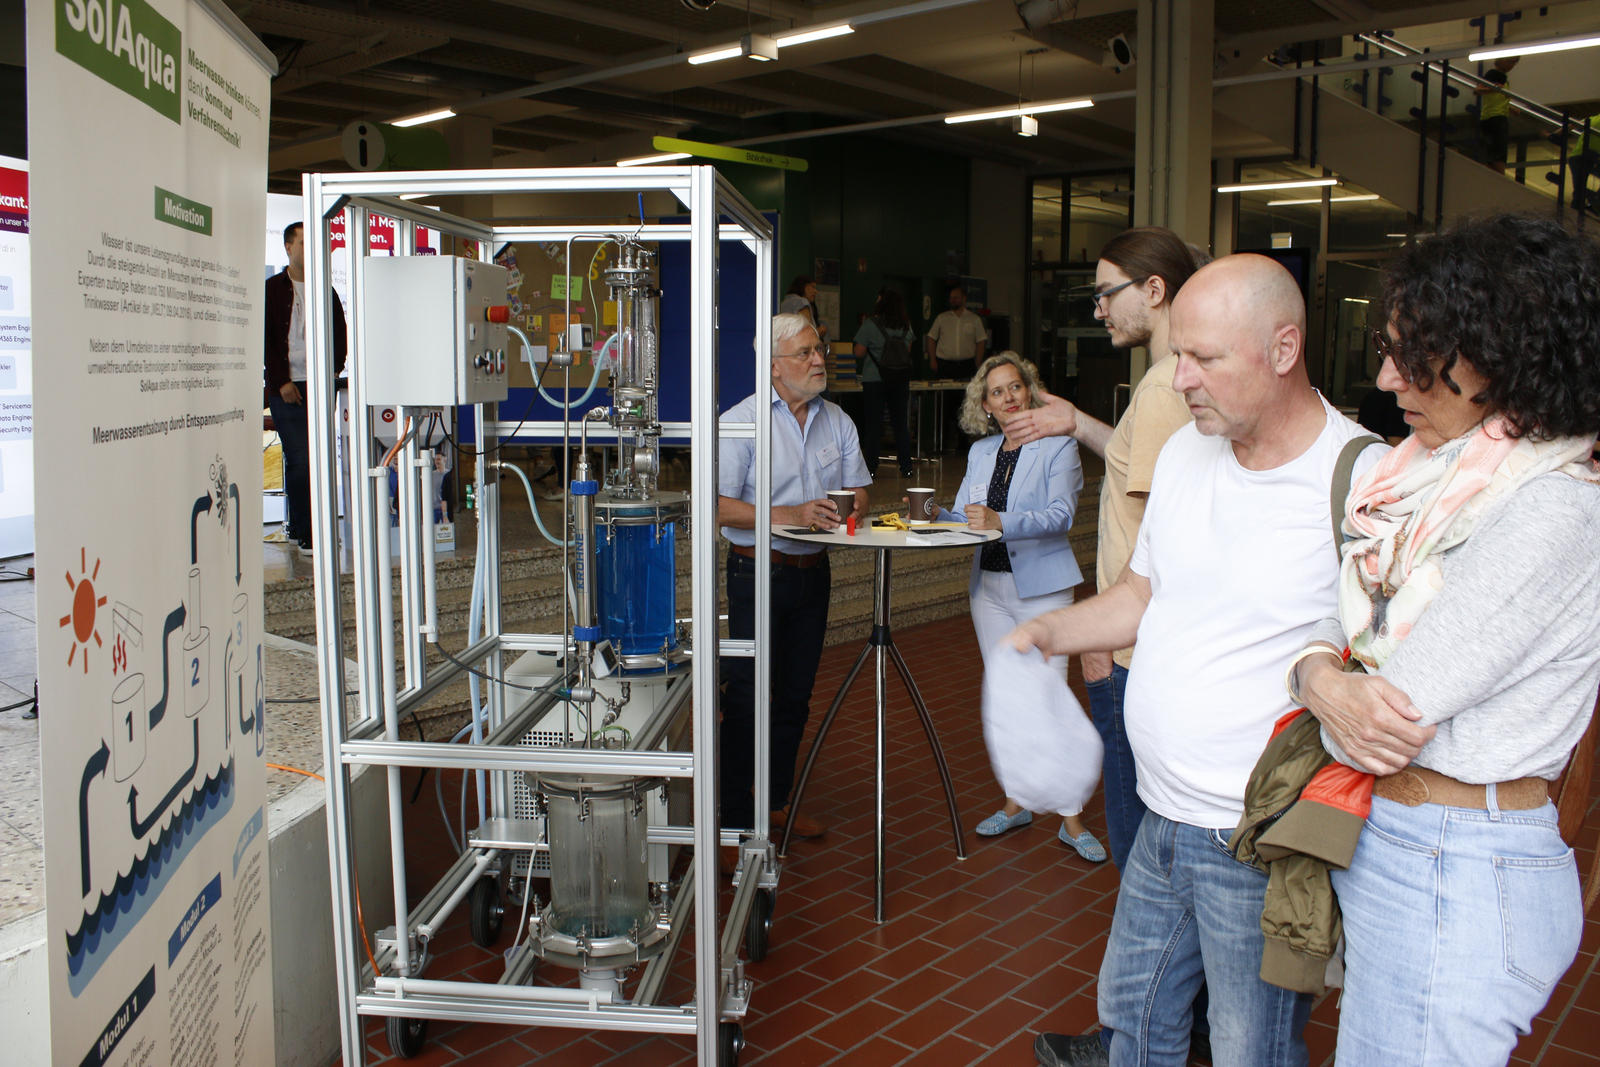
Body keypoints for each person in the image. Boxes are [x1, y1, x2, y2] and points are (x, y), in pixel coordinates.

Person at [1016, 254, 1379, 1067]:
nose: (1181, 378)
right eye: (1179, 353)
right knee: (1132, 1023)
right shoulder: (1184, 456)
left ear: (1283, 350)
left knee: (1254, 1048)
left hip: (1256, 838)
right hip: (1160, 819)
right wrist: (1049, 633)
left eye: (1205, 358)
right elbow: (1142, 593)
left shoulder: (1363, 479)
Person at [1286, 212, 1600, 1066]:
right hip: (1418, 842)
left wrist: (1322, 678)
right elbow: (1335, 626)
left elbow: (1396, 701)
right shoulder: (1428, 478)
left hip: (1459, 859)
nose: (1387, 376)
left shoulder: (1550, 505)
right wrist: (1320, 677)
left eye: (1413, 351)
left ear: (1498, 351)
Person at [1008, 226, 1202, 873]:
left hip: (1129, 646)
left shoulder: (1161, 386)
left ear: (1153, 289)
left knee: (1137, 849)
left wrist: (1100, 639)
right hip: (1143, 639)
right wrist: (1079, 423)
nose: (1097, 309)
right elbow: (1136, 465)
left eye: (1104, 293)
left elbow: (1154, 530)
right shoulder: (1177, 380)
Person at [933, 352, 1104, 861]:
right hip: (989, 588)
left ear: (1029, 392)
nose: (1008, 397)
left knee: (1048, 695)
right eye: (996, 391)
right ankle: (1016, 803)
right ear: (984, 405)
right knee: (1010, 697)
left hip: (1043, 590)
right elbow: (967, 516)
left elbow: (1059, 516)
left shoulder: (1059, 447)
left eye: (1015, 387)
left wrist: (998, 521)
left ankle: (1071, 818)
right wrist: (928, 515)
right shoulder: (982, 452)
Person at [717, 313, 871, 866]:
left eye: (819, 349)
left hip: (814, 576)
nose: (818, 359)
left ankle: (775, 802)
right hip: (758, 572)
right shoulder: (741, 421)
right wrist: (793, 514)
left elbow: (859, 493)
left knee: (795, 699)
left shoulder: (839, 422)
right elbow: (716, 506)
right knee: (749, 698)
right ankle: (734, 820)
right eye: (805, 352)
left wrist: (849, 511)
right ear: (775, 366)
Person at [265, 220, 347, 554]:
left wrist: (331, 372)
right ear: (288, 247)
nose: (308, 249)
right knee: (300, 457)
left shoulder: (323, 289)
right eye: (302, 242)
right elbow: (267, 338)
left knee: (311, 458)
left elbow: (339, 334)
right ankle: (310, 534)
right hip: (286, 388)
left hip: (319, 384)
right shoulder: (272, 288)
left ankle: (299, 525)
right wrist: (281, 381)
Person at [854, 286, 917, 478]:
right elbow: (907, 352)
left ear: (881, 301)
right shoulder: (907, 326)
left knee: (873, 425)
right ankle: (906, 466)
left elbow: (859, 352)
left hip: (874, 380)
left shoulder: (870, 324)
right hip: (899, 380)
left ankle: (871, 468)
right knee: (900, 424)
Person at [926, 283, 988, 443]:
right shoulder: (942, 318)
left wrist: (978, 361)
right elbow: (931, 338)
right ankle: (943, 438)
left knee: (965, 402)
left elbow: (981, 341)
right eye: (951, 298)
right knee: (944, 403)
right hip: (945, 366)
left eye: (955, 297)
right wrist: (933, 358)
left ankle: (963, 438)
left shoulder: (974, 319)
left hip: (966, 365)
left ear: (963, 298)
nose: (952, 300)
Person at [1473, 68, 1511, 175]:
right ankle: (1499, 182)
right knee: (1499, 158)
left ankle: (1490, 179)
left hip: (1496, 117)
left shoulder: (1505, 80)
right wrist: (1494, 89)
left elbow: (1497, 100)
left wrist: (1511, 109)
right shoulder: (1494, 75)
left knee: (1494, 157)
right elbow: (1477, 90)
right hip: (1494, 118)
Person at [779, 275, 827, 343]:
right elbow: (807, 334)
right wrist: (819, 332)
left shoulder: (782, 304)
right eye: (812, 286)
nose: (816, 291)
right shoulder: (801, 302)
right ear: (802, 286)